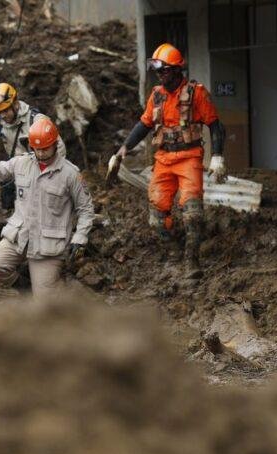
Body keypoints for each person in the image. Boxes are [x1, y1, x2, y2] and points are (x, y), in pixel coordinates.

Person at [114, 43, 227, 279]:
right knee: (156, 219)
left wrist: (217, 156)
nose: (160, 75)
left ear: (177, 70)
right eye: (158, 71)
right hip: (163, 160)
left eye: (164, 70)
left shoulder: (196, 93)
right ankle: (175, 251)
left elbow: (215, 125)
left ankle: (191, 259)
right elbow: (144, 125)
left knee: (193, 214)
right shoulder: (156, 96)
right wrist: (124, 148)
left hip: (189, 158)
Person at [0, 118, 93, 298]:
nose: (40, 153)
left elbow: (86, 209)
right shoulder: (22, 163)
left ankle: (60, 290)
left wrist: (80, 238)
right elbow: (0, 168)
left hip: (48, 244)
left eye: (45, 148)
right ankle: (25, 289)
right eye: (36, 149)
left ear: (55, 144)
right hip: (20, 235)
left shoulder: (70, 174)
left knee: (45, 302)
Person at [0, 83, 65, 210]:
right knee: (8, 207)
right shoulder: (1, 124)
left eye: (5, 110)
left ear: (15, 104)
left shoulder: (37, 121)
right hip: (16, 174)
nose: (2, 115)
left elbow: (59, 148)